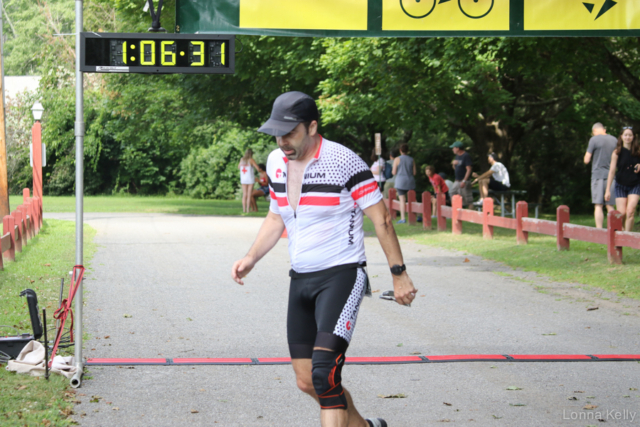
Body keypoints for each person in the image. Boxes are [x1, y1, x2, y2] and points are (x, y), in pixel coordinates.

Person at [231, 91, 416, 427]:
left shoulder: (343, 161)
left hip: (342, 276)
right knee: (307, 381)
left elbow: (382, 218)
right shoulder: (275, 162)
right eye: (278, 133)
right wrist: (251, 257)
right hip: (301, 278)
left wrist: (398, 274)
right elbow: (276, 217)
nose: (283, 141)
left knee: (324, 373)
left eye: (290, 133)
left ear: (312, 126)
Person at [604, 127, 640, 231]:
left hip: (635, 184)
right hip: (620, 185)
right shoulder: (617, 152)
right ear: (621, 136)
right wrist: (607, 190)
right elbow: (611, 171)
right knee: (622, 213)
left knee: (630, 211)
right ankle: (621, 233)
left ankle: (628, 236)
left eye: (630, 135)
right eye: (625, 135)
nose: (628, 137)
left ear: (633, 137)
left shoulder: (638, 151)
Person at [585, 122, 617, 228]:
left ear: (594, 131)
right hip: (611, 177)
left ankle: (599, 230)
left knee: (598, 205)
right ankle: (614, 230)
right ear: (604, 129)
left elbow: (586, 159)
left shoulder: (594, 140)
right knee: (610, 205)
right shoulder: (614, 140)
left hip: (597, 175)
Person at [392, 143, 416, 224]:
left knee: (402, 200)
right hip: (410, 181)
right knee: (413, 199)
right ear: (407, 150)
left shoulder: (397, 159)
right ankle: (419, 215)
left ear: (400, 150)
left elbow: (394, 172)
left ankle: (403, 218)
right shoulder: (412, 159)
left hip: (400, 182)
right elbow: (414, 172)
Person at [449, 141, 473, 209]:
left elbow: (469, 169)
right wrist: (453, 164)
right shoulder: (457, 156)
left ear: (458, 148)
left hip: (464, 180)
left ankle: (470, 216)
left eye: (453, 148)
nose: (452, 149)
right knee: (452, 192)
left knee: (468, 200)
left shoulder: (466, 156)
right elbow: (456, 168)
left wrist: (464, 181)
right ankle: (457, 210)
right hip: (457, 180)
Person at [239, 149, 262, 214]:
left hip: (243, 178)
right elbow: (258, 169)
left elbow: (239, 167)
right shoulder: (251, 160)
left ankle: (244, 209)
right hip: (250, 178)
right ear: (251, 154)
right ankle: (248, 210)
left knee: (244, 195)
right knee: (249, 195)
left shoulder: (242, 159)